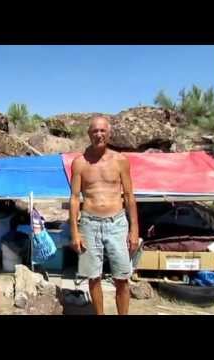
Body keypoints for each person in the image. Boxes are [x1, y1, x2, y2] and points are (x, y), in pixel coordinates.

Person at [69, 116, 139, 315]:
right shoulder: (79, 163)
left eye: (102, 131)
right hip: (89, 224)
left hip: (117, 223)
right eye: (94, 131)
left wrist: (134, 230)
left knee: (122, 277)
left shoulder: (120, 160)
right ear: (88, 134)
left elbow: (130, 196)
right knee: (93, 277)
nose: (98, 134)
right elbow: (74, 198)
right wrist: (75, 232)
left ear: (109, 133)